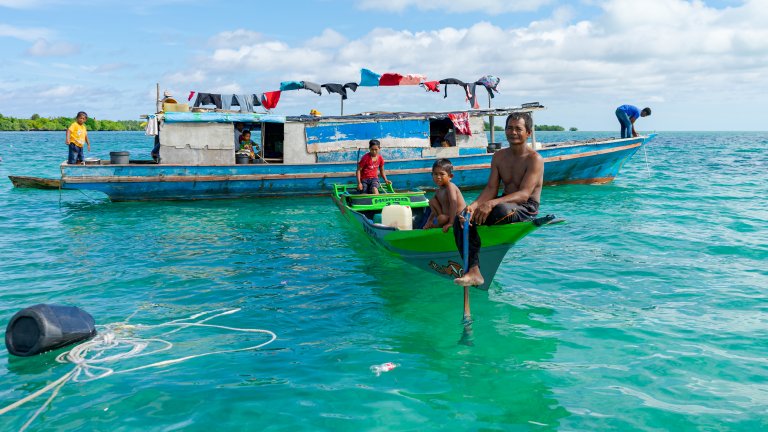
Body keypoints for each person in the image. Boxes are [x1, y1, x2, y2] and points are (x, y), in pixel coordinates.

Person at [453, 112, 543, 287]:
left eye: (518, 129)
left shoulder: (535, 159)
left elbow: (524, 194)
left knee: (500, 210)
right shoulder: (499, 156)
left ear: (528, 133)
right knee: (462, 217)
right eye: (509, 128)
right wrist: (473, 206)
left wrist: (491, 204)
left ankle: (477, 249)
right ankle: (474, 271)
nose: (513, 132)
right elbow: (491, 189)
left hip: (525, 207)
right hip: (503, 202)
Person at [423, 159, 466, 233]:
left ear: (450, 176)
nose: (438, 177)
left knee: (442, 218)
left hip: (459, 217)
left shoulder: (450, 186)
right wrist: (429, 221)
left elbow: (453, 203)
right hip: (446, 218)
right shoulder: (438, 191)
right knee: (432, 201)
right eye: (435, 174)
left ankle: (443, 225)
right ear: (432, 175)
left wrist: (451, 222)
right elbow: (433, 211)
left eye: (442, 174)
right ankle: (437, 225)